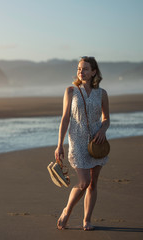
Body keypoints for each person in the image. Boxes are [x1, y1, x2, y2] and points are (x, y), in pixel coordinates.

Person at [54, 56, 110, 231]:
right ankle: (67, 211)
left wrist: (102, 130)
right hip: (77, 140)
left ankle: (87, 219)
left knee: (93, 183)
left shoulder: (102, 93)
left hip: (96, 141)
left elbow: (106, 118)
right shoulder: (71, 91)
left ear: (94, 72)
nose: (81, 72)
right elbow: (65, 119)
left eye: (85, 68)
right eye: (79, 68)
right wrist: (59, 144)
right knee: (84, 182)